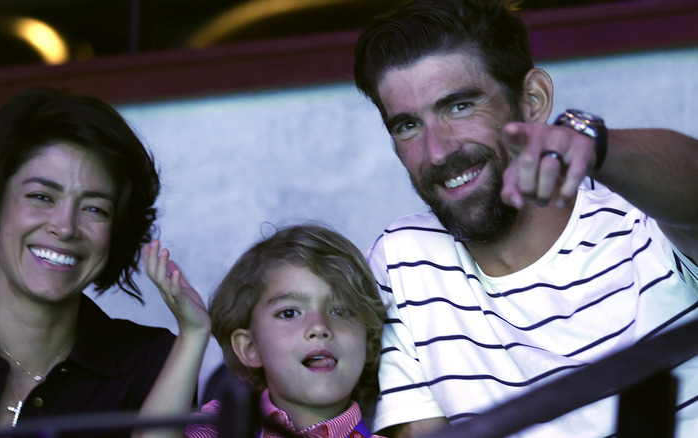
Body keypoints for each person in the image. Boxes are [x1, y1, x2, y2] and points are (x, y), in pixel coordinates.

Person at [352, 0, 698, 437]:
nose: (437, 151)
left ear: (533, 101)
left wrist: (593, 145)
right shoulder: (405, 260)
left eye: (459, 106)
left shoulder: (644, 222)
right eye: (407, 126)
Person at [0, 87, 207, 436]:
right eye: (41, 196)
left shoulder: (153, 362)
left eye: (95, 209)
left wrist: (194, 335)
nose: (66, 227)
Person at [183, 224, 388, 438]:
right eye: (289, 313)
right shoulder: (217, 427)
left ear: (369, 345)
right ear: (250, 347)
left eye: (340, 311)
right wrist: (193, 335)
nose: (319, 327)